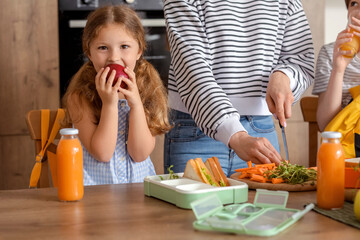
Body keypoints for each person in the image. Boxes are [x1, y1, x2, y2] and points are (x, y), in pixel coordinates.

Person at [163, 0, 315, 176]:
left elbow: (301, 59)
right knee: (197, 204)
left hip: (261, 128)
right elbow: (193, 70)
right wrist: (235, 134)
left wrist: (284, 75)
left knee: (266, 204)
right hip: (195, 129)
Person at [62, 5, 172, 185]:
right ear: (89, 52)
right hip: (95, 196)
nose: (114, 57)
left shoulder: (147, 91)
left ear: (139, 51)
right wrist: (109, 104)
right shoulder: (80, 97)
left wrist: (136, 104)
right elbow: (103, 153)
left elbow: (140, 154)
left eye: (124, 46)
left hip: (137, 194)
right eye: (103, 47)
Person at [313, 0, 360, 131]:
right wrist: (338, 69)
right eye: (354, 3)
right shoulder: (330, 53)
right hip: (344, 147)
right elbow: (325, 125)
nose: (358, 11)